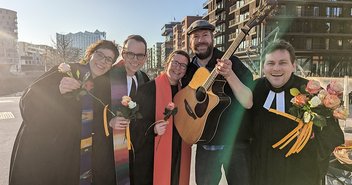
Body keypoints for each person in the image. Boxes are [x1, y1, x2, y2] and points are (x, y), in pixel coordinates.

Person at [9, 40, 120, 185]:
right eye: (100, 55)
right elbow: (28, 100)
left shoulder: (103, 86)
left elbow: (97, 117)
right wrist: (57, 90)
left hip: (74, 155)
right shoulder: (66, 71)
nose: (103, 61)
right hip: (44, 149)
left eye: (109, 59)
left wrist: (111, 120)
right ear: (90, 54)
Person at [250, 39, 344, 185]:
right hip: (262, 172)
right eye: (270, 63)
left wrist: (311, 138)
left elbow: (334, 136)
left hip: (299, 174)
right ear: (263, 67)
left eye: (283, 63)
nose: (276, 68)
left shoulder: (311, 92)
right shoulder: (255, 89)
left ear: (293, 65)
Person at [182, 19, 253, 185]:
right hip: (206, 145)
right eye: (196, 36)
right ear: (190, 41)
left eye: (205, 35)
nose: (201, 40)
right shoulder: (188, 69)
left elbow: (248, 101)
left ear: (212, 38)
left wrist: (230, 75)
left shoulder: (231, 62)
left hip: (235, 144)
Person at [129, 50, 191, 185]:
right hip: (151, 156)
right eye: (175, 63)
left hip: (177, 153)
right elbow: (133, 124)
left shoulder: (185, 92)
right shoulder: (146, 90)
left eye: (183, 65)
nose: (178, 68)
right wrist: (153, 129)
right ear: (167, 64)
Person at [107, 34, 149, 185]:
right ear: (123, 53)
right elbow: (93, 106)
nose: (135, 59)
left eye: (140, 55)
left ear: (145, 57)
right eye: (130, 54)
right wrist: (109, 120)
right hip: (109, 146)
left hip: (135, 144)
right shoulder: (108, 75)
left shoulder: (143, 78)